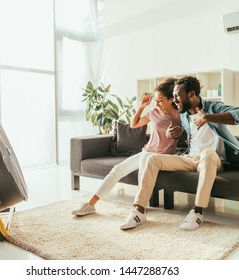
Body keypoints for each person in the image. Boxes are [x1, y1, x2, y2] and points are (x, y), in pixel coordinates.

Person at [120, 76, 239, 230]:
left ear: (192, 95)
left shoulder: (214, 107)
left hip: (212, 159)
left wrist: (207, 117)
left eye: (177, 96)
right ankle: (138, 211)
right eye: (173, 96)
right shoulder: (184, 115)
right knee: (152, 159)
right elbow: (187, 138)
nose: (174, 100)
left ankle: (197, 212)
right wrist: (173, 135)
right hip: (190, 159)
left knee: (207, 153)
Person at [72, 78, 181, 216]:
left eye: (160, 100)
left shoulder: (179, 116)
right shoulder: (154, 113)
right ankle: (90, 204)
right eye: (155, 100)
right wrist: (141, 107)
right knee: (118, 169)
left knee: (144, 161)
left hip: (163, 157)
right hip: (147, 152)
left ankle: (138, 209)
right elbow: (133, 125)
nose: (157, 103)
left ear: (171, 99)